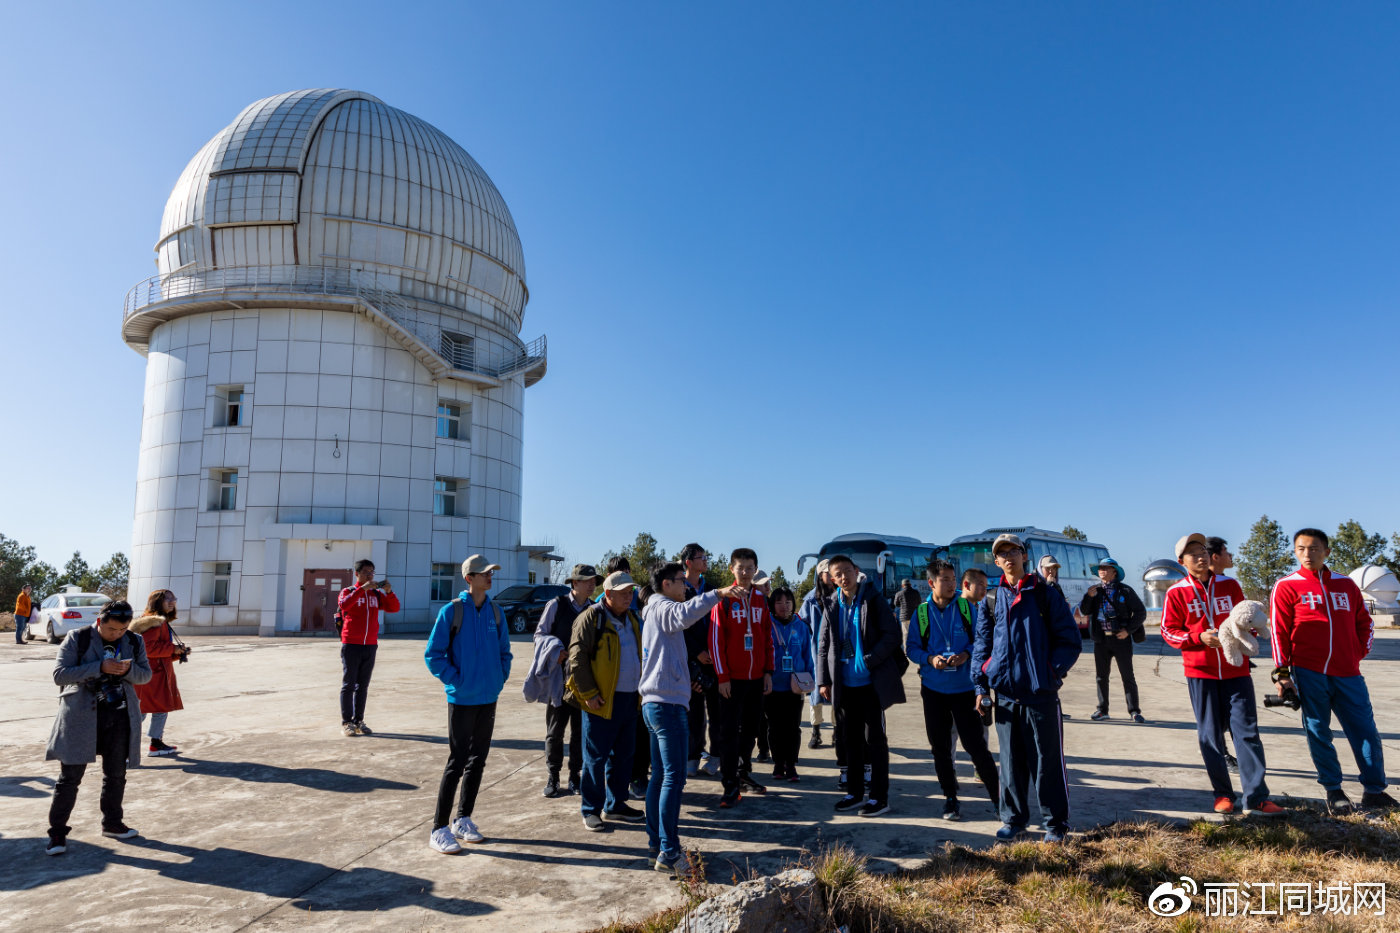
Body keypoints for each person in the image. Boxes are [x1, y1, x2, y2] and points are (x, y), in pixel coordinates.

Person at [1271, 529, 1396, 813]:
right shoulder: (1286, 586)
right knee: (1318, 731)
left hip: (1348, 672)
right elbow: (1279, 632)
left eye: (1314, 548)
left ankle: (1374, 791)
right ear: (1295, 552)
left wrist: (1356, 653)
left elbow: (1365, 623)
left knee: (1365, 730)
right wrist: (1283, 674)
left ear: (1326, 552)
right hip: (1308, 671)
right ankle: (1333, 789)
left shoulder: (1346, 585)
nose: (1307, 554)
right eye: (1301, 548)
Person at [1161, 533, 1285, 818]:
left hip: (1236, 670)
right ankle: (1223, 795)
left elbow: (1245, 618)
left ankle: (1256, 798)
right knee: (1210, 736)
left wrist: (1251, 632)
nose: (1201, 556)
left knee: (1247, 732)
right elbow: (1169, 631)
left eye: (1203, 551)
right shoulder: (1177, 593)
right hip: (1201, 673)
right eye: (1194, 553)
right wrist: (1198, 637)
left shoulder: (1230, 586)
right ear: (1182, 561)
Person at [970, 533, 1081, 843]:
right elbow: (982, 645)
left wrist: (1050, 673)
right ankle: (1013, 819)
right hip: (1005, 695)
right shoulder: (992, 600)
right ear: (996, 561)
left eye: (1013, 551)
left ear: (1024, 555)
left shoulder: (1045, 594)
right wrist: (981, 686)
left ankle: (1055, 823)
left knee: (1047, 761)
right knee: (1010, 762)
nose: (1009, 557)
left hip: (1040, 694)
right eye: (1002, 553)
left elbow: (1070, 641)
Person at [639, 562, 740, 875]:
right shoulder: (663, 608)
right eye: (681, 581)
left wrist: (688, 679)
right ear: (666, 584)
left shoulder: (654, 611)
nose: (686, 586)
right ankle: (670, 853)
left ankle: (657, 845)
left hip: (658, 702)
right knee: (673, 778)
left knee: (660, 777)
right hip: (667, 706)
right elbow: (684, 614)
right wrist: (718, 594)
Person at [44, 600, 151, 855]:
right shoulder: (77, 638)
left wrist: (126, 671)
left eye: (122, 629)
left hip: (119, 717)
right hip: (80, 717)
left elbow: (145, 675)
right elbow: (60, 674)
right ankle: (57, 833)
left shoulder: (134, 640)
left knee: (116, 775)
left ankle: (112, 823)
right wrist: (99, 667)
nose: (117, 634)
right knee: (69, 779)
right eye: (112, 629)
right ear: (100, 621)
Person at [424, 554, 512, 854]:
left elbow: (505, 652)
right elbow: (433, 655)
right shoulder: (452, 611)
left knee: (478, 760)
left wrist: (499, 678)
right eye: (484, 573)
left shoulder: (495, 612)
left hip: (488, 697)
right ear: (469, 578)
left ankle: (463, 819)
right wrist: (456, 680)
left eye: (491, 572)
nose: (490, 576)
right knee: (457, 761)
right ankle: (439, 828)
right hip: (462, 699)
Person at [908, 559, 1000, 821]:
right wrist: (930, 659)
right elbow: (912, 648)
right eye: (945, 580)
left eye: (953, 579)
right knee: (940, 747)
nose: (951, 584)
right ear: (931, 583)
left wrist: (965, 654)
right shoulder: (921, 613)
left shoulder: (967, 608)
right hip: (933, 690)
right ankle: (950, 798)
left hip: (964, 689)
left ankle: (999, 800)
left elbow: (983, 640)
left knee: (976, 746)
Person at [817, 553, 906, 817]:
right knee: (851, 740)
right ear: (832, 579)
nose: (844, 577)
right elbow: (823, 645)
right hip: (844, 685)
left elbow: (893, 635)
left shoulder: (873, 599)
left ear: (856, 571)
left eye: (847, 571)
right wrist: (823, 680)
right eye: (838, 574)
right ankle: (854, 793)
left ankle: (879, 797)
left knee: (875, 741)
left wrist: (869, 659)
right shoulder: (831, 604)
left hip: (870, 684)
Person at [568, 570, 646, 831]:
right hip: (601, 701)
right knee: (595, 757)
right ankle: (590, 809)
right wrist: (589, 694)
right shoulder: (591, 617)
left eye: (630, 592)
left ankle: (615, 804)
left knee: (623, 756)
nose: (629, 596)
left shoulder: (632, 618)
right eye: (623, 592)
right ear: (608, 593)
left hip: (629, 699)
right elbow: (577, 659)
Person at [710, 548, 773, 807]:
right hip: (731, 680)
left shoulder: (761, 599)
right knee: (728, 733)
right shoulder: (723, 600)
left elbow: (767, 638)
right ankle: (729, 784)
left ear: (755, 569)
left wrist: (768, 671)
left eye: (750, 568)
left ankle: (743, 773)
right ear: (732, 569)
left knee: (750, 731)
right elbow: (715, 641)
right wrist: (722, 676)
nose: (745, 572)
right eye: (740, 567)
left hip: (756, 678)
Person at [534, 564, 600, 798]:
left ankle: (575, 776)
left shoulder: (595, 609)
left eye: (594, 581)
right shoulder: (557, 605)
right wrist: (556, 650)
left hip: (584, 681)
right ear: (574, 583)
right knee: (555, 731)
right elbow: (539, 635)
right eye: (587, 580)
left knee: (580, 731)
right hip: (559, 680)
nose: (592, 584)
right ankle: (553, 776)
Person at [337, 558, 400, 737]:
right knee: (349, 684)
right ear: (357, 574)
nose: (370, 576)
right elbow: (344, 605)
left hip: (370, 645)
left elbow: (394, 608)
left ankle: (359, 720)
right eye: (366, 572)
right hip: (351, 644)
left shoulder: (376, 595)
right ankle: (347, 722)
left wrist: (389, 592)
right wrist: (361, 589)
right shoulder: (348, 591)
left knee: (363, 685)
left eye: (372, 572)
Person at [1080, 558, 1147, 723]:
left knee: (1127, 676)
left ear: (1114, 572)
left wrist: (1128, 631)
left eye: (1105, 568)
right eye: (1100, 568)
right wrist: (1088, 597)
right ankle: (1102, 710)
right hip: (1101, 639)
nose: (1101, 571)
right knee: (1101, 677)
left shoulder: (1125, 591)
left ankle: (1134, 711)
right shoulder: (1095, 591)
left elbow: (1140, 612)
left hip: (1121, 639)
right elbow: (1084, 611)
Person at [680, 543, 722, 777]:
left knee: (717, 712)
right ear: (688, 562)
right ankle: (692, 756)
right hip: (691, 661)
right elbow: (678, 627)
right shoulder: (679, 590)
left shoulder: (712, 590)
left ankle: (715, 757)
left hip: (715, 658)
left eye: (706, 557)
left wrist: (713, 650)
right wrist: (696, 652)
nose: (705, 561)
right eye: (701, 557)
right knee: (694, 714)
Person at [765, 586, 813, 783]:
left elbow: (808, 655)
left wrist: (810, 679)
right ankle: (778, 764)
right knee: (774, 727)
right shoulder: (766, 625)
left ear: (793, 604)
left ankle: (791, 765)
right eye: (779, 602)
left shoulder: (801, 626)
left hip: (795, 687)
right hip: (772, 686)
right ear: (772, 605)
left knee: (793, 727)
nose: (784, 606)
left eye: (788, 602)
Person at [132, 589, 189, 756]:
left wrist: (176, 652)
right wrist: (172, 649)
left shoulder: (159, 621)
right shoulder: (153, 622)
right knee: (141, 712)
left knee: (159, 709)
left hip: (158, 673)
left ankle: (156, 744)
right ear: (157, 602)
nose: (172, 602)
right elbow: (148, 648)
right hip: (151, 675)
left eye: (174, 599)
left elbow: (158, 650)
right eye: (167, 599)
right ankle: (125, 748)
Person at [801, 560, 837, 750]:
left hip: (837, 652)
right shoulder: (810, 600)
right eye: (826, 572)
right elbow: (802, 625)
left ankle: (837, 731)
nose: (830, 576)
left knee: (837, 693)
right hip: (816, 654)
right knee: (816, 694)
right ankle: (816, 731)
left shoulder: (842, 596)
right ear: (820, 575)